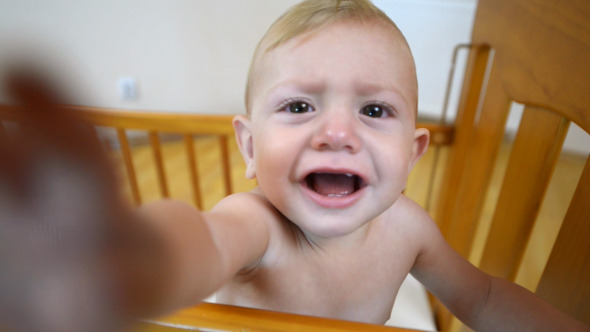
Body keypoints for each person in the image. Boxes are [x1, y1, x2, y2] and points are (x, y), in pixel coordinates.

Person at [0, 0, 587, 331]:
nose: (336, 133)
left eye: (375, 109)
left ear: (412, 154)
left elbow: (482, 298)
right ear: (250, 149)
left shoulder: (409, 231)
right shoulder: (256, 223)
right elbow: (200, 239)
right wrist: (133, 257)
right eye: (300, 105)